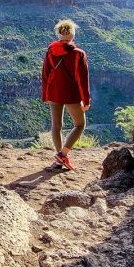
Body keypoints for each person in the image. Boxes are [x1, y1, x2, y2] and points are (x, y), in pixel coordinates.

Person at [41, 18, 91, 169]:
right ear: (72, 35)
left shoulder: (50, 51)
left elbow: (45, 74)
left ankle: (58, 158)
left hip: (54, 92)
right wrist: (86, 100)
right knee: (80, 124)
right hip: (71, 95)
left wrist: (45, 95)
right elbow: (82, 80)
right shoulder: (79, 54)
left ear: (59, 34)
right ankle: (62, 155)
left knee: (56, 126)